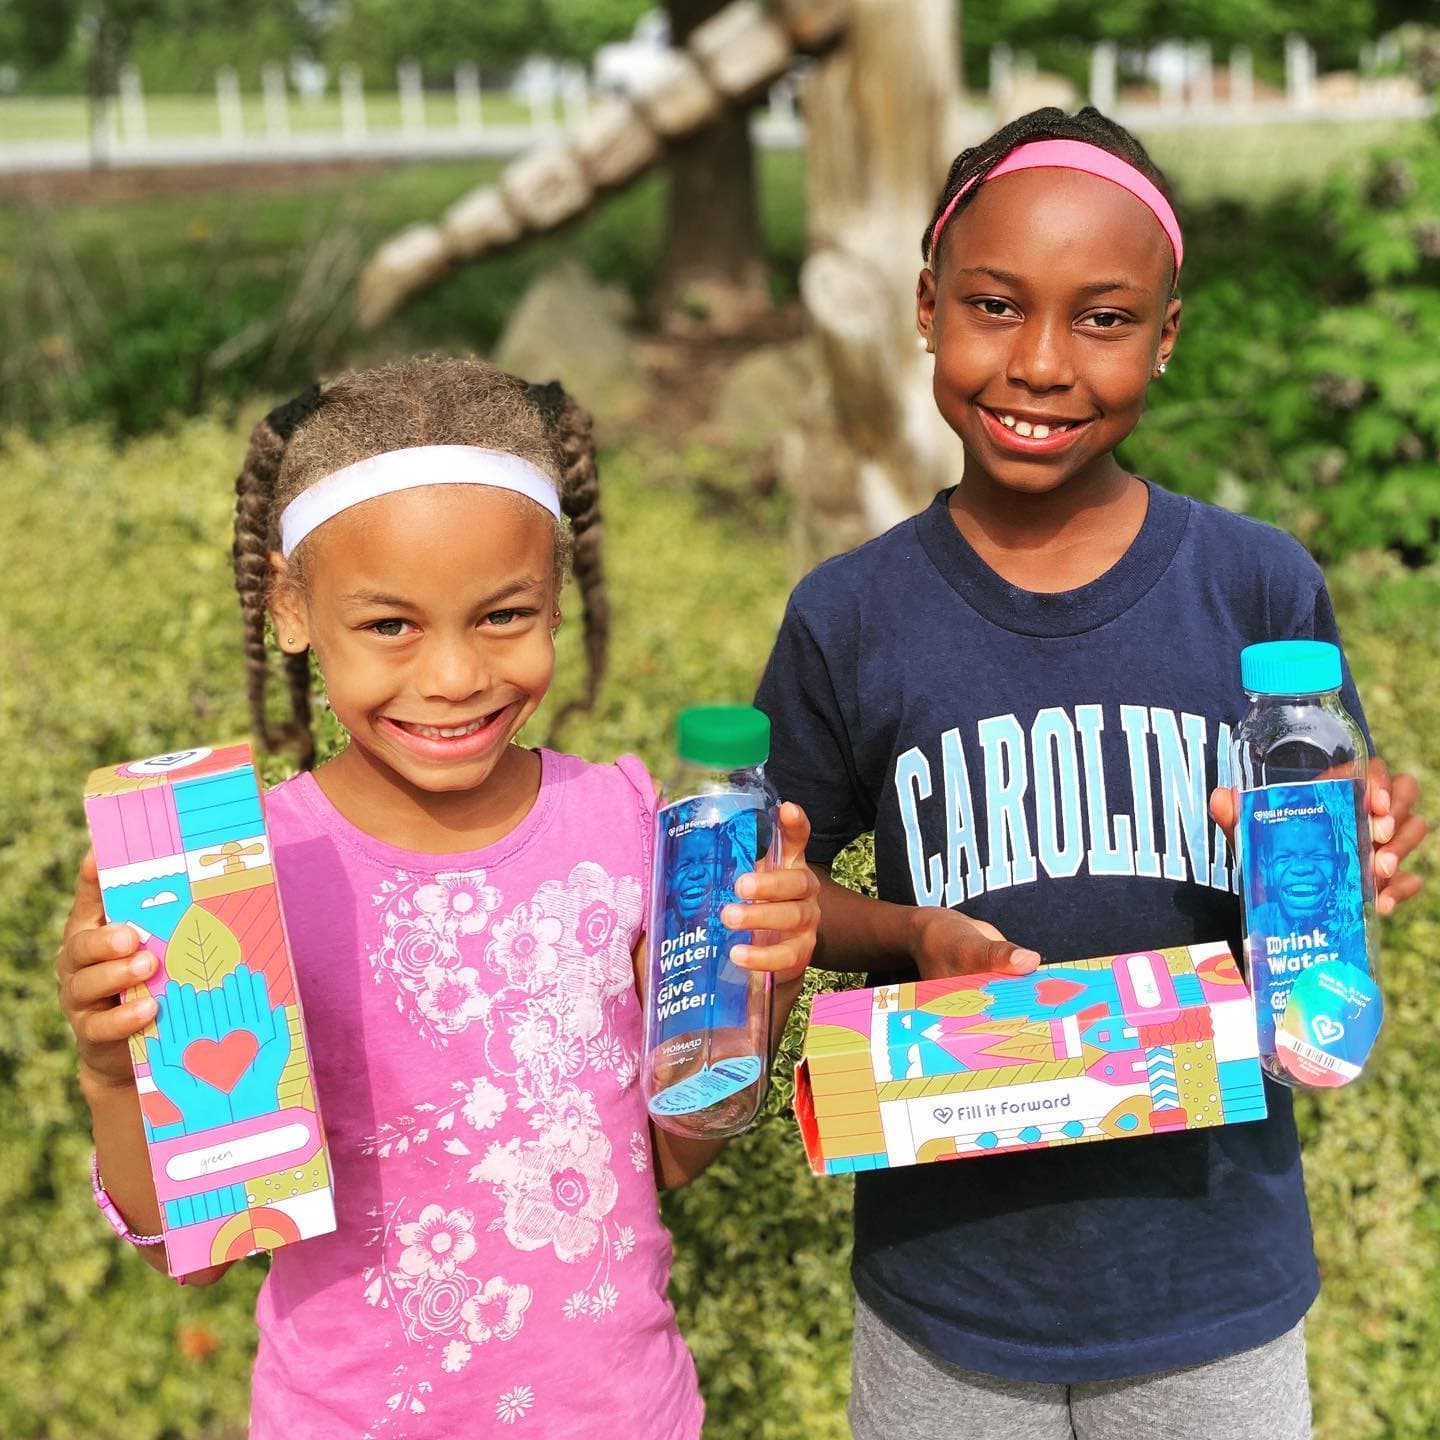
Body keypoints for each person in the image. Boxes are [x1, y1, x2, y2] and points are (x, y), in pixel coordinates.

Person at [754, 108, 1428, 1440]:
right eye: (996, 305)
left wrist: (1359, 844)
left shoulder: (1254, 585)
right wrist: (910, 935)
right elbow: (782, 890)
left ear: (1166, 336)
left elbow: (1322, 868)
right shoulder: (852, 614)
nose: (1043, 362)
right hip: (947, 1285)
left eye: (1104, 319)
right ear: (928, 308)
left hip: (1212, 1275)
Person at [56, 358, 821, 1439]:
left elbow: (673, 1155)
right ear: (291, 606)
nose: (455, 676)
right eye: (391, 626)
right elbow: (200, 1251)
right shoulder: (234, 882)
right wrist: (110, 1071)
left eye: (503, 614)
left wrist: (759, 985)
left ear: (555, 593)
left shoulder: (625, 824)